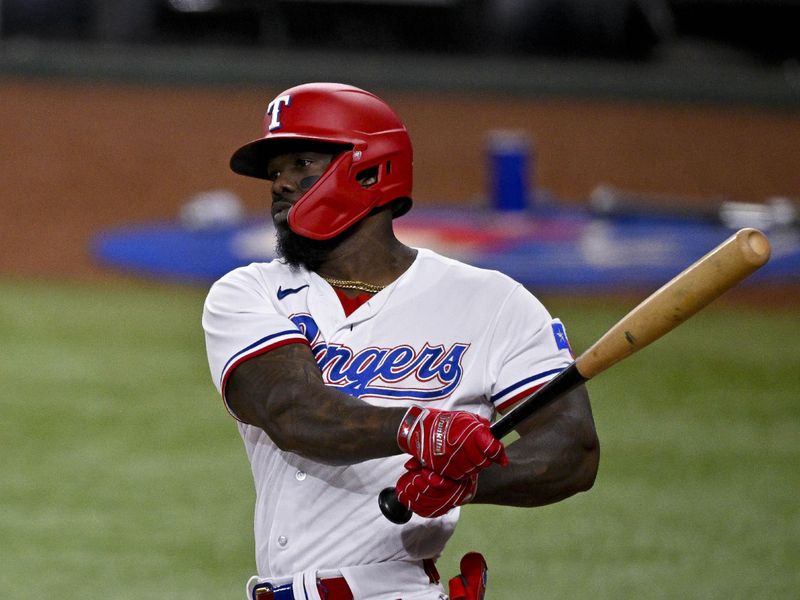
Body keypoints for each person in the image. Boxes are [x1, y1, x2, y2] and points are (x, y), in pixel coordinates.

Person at [202, 82, 599, 600]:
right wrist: (420, 430)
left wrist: (468, 481)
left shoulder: (492, 302)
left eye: (301, 163)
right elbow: (292, 410)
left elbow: (573, 449)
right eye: (275, 173)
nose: (281, 185)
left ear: (371, 168)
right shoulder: (250, 293)